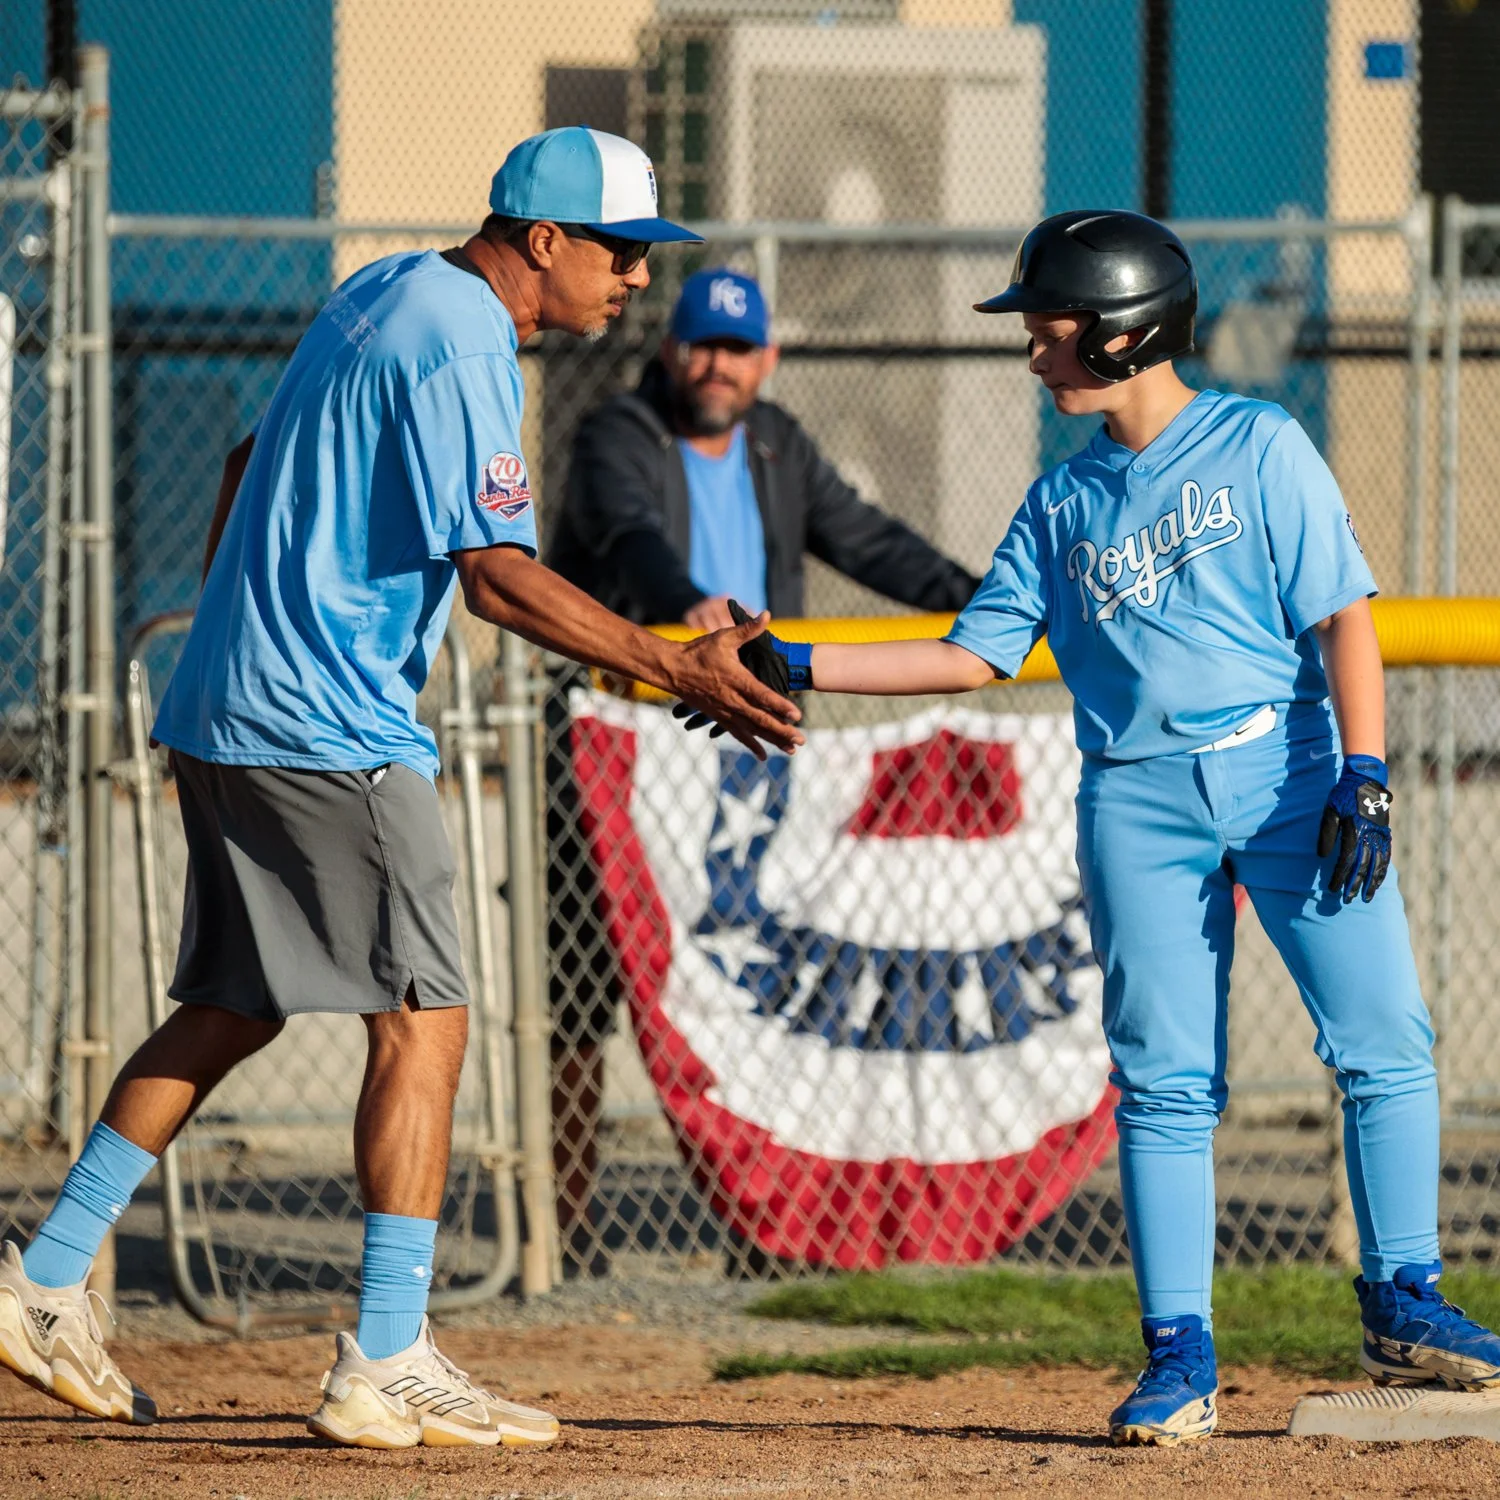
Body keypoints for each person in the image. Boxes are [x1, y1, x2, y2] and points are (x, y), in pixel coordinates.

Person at [0, 126, 801, 1451]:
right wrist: (675, 668)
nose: (635, 282)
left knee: (233, 1001)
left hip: (227, 705)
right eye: (618, 252)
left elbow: (244, 466)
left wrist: (226, 643)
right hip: (327, 729)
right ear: (541, 241)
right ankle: (384, 1356)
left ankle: (41, 1279)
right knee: (424, 1021)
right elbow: (497, 576)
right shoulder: (467, 334)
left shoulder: (381, 289)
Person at [700, 210, 1500, 1444]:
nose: (1032, 348)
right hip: (1138, 802)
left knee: (1386, 1038)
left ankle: (1405, 1296)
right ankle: (1180, 1351)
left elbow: (1344, 614)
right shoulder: (1062, 502)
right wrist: (795, 658)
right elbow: (974, 656)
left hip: (1290, 776)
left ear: (1125, 332)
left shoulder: (1260, 445)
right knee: (1164, 1085)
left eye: (1050, 324)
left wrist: (1368, 769)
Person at [544, 266, 981, 1271]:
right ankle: (564, 1221)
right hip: (616, 742)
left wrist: (983, 604)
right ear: (669, 352)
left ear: (767, 360)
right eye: (701, 345)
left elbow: (867, 541)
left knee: (750, 979)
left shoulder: (779, 444)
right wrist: (691, 606)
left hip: (739, 754)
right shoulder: (620, 432)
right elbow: (628, 534)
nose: (718, 366)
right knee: (582, 984)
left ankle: (761, 1226)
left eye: (739, 350)